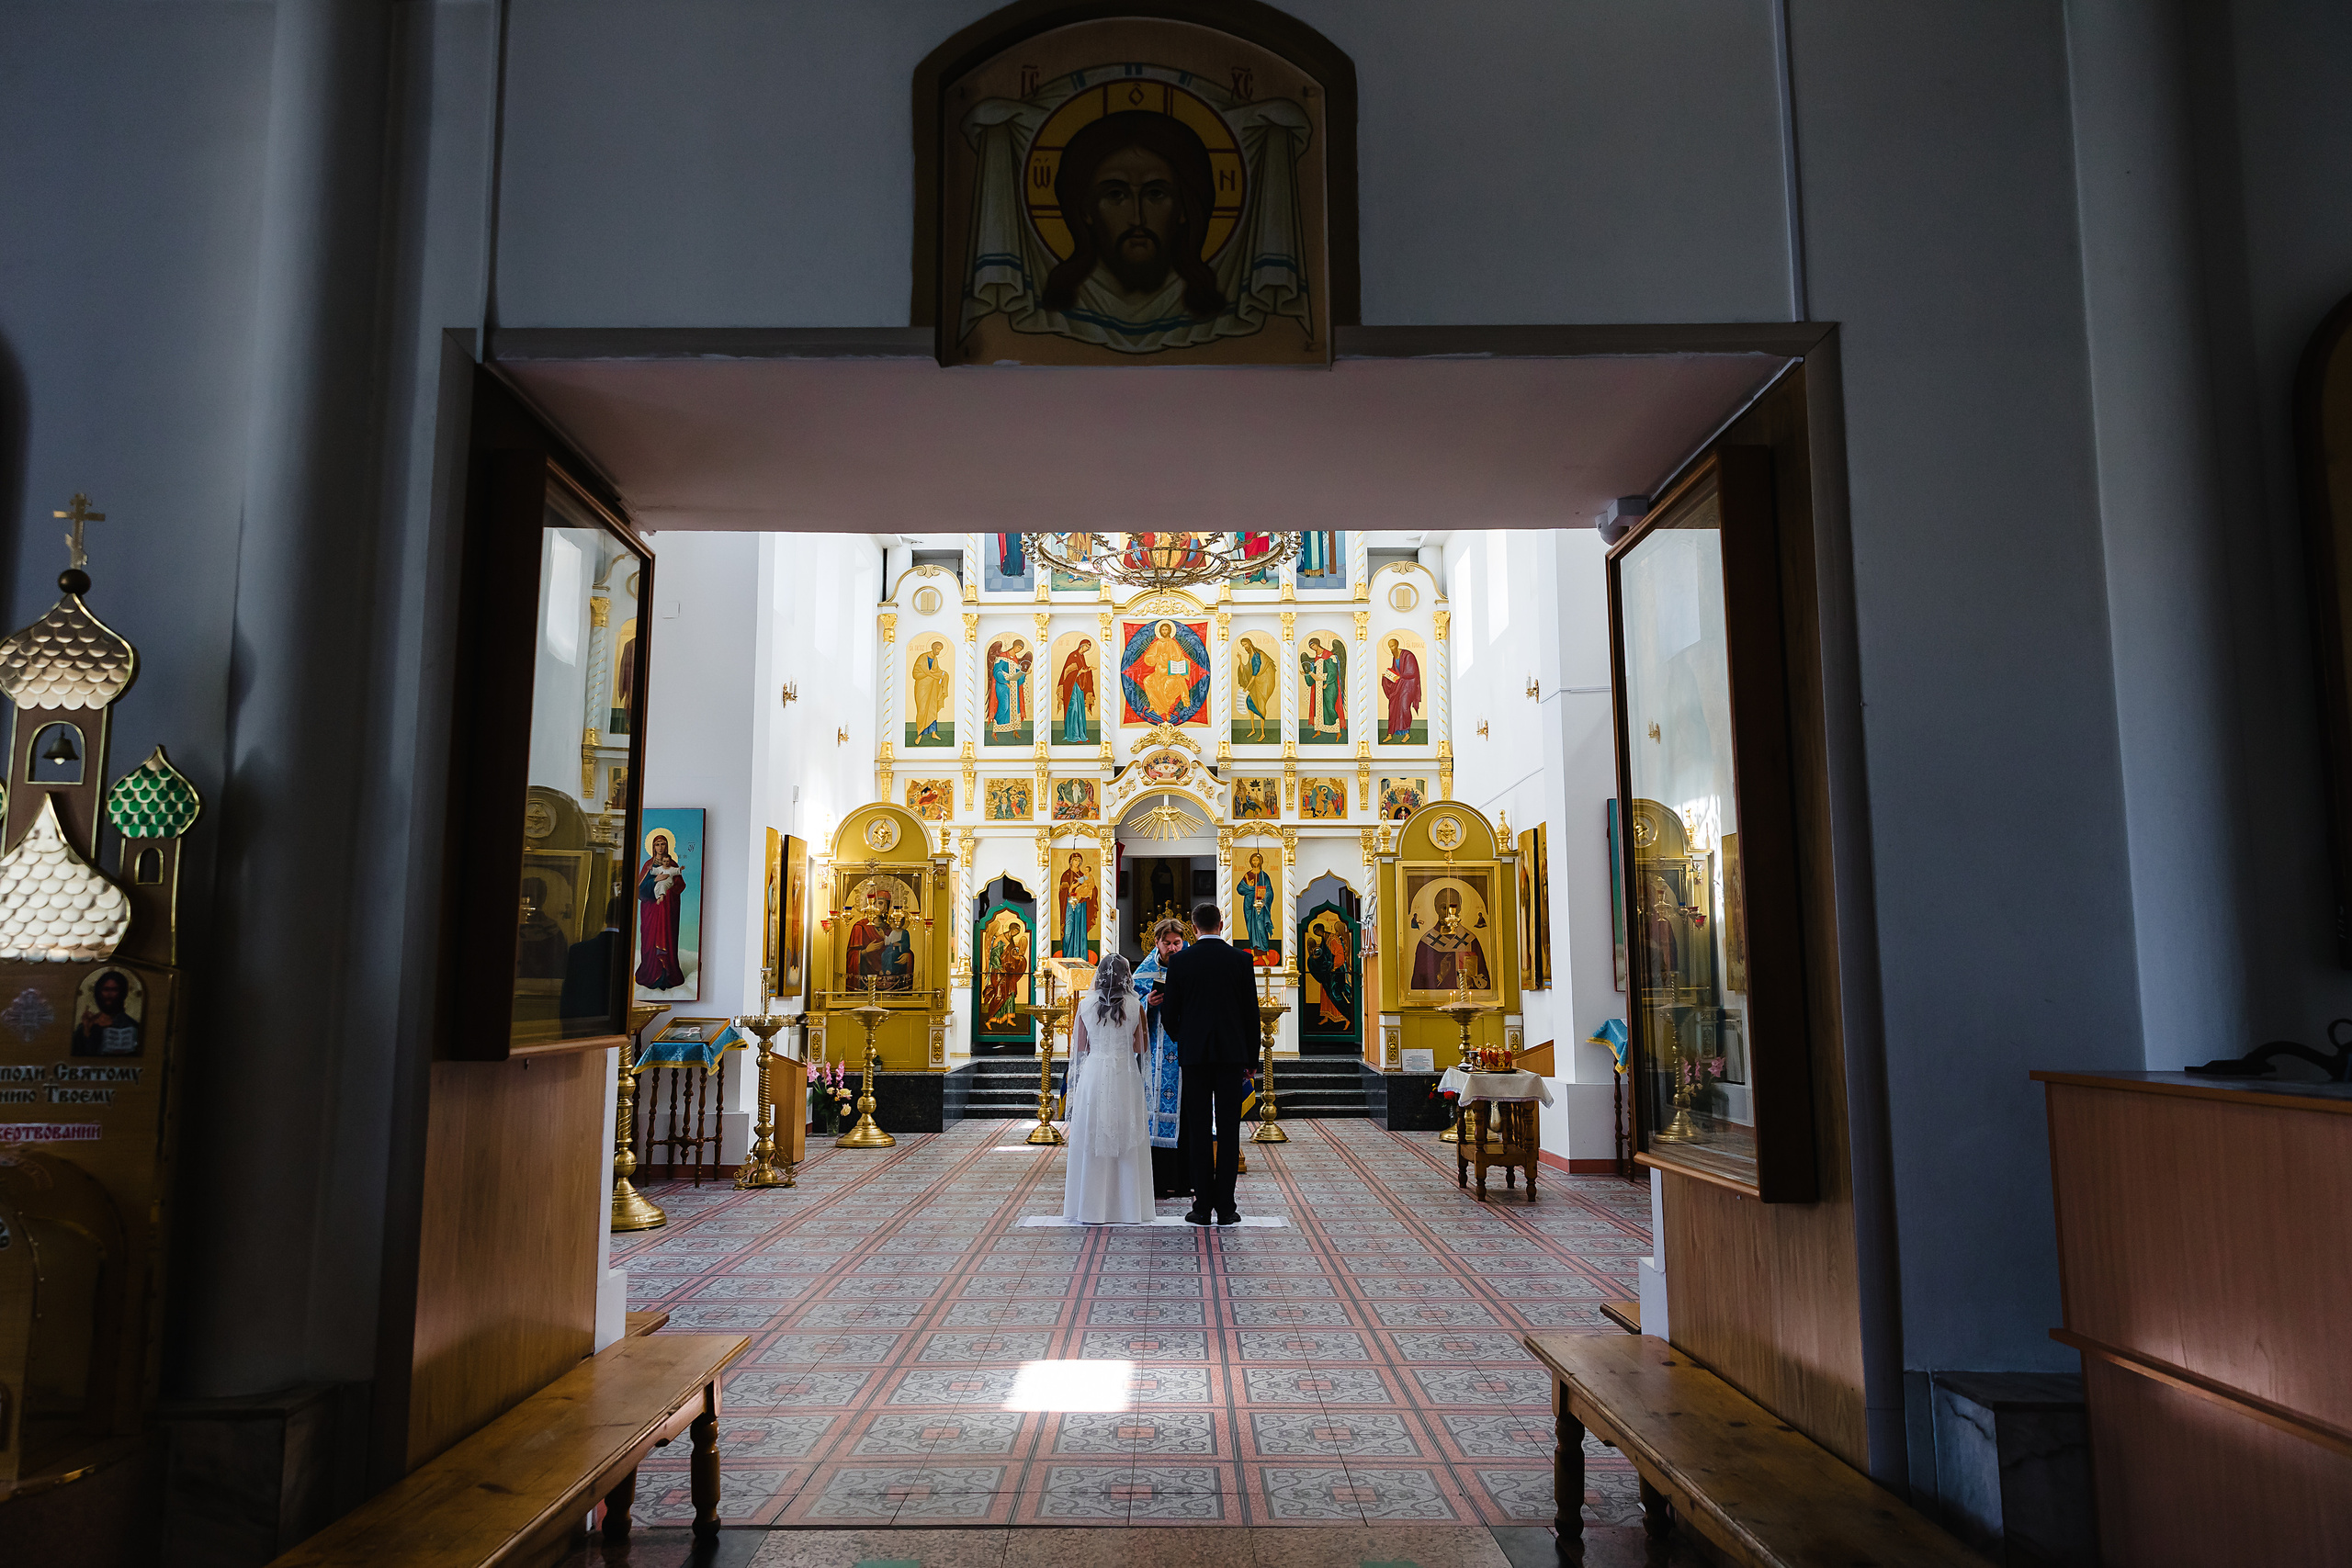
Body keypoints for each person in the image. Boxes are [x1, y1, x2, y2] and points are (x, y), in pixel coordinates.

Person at [1157, 900, 1259, 1225]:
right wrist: (1251, 1059)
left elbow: (1169, 1013)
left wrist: (1184, 1038)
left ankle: (1201, 1208)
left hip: (1195, 1058)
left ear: (1193, 927)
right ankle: (1226, 1208)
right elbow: (1251, 1013)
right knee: (1229, 1131)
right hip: (1231, 1057)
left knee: (1199, 1130)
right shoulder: (1241, 959)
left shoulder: (1181, 961)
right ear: (1221, 924)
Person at [1062, 953, 1152, 1224]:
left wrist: (1100, 1044)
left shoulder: (1085, 1004)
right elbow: (1141, 1048)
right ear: (1126, 977)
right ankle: (1128, 1208)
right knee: (1126, 1134)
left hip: (1094, 1073)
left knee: (1092, 1134)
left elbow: (1080, 1046)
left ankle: (1090, 1207)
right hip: (1125, 1072)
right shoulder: (1136, 1005)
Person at [1131, 918, 1190, 1198]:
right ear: (1156, 943)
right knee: (1151, 1113)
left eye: (1177, 942)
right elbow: (1128, 1008)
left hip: (1183, 1052)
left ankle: (1183, 1180)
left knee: (1187, 1115)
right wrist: (1147, 1004)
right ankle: (1156, 1182)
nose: (1172, 948)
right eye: (1167, 943)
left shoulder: (1191, 965)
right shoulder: (1144, 972)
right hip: (1153, 1056)